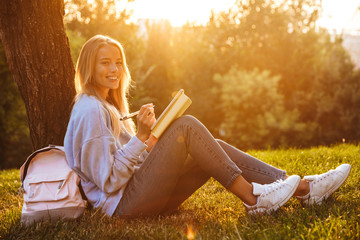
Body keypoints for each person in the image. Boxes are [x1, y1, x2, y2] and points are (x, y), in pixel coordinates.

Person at [64, 35, 351, 218]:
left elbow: (124, 162)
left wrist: (149, 142)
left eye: (117, 62)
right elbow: (110, 180)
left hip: (138, 196)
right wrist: (140, 138)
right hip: (123, 208)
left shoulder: (105, 105)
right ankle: (254, 199)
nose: (114, 69)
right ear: (89, 67)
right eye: (105, 63)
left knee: (210, 149)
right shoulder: (90, 111)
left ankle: (303, 188)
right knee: (186, 126)